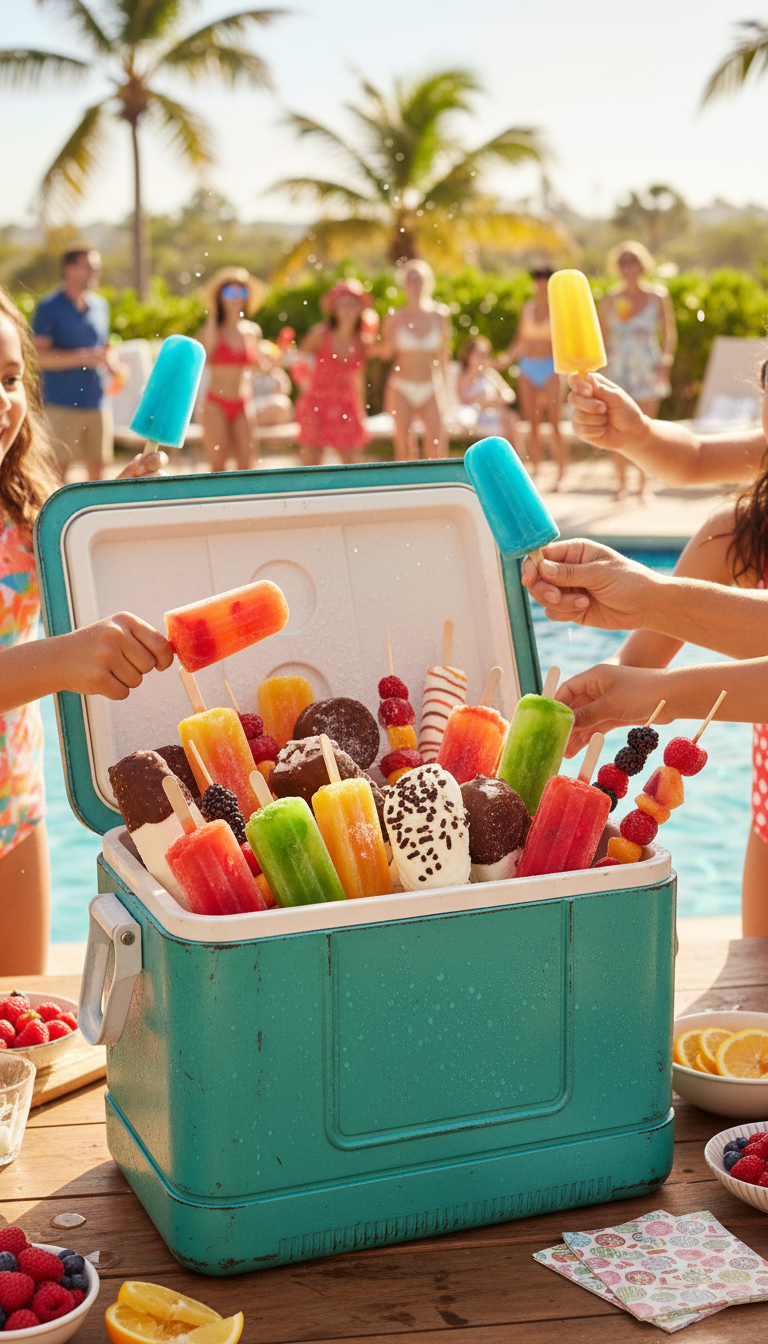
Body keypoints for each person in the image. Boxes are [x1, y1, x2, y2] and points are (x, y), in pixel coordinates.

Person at [523, 359, 768, 932]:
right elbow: (695, 458)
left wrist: (657, 680)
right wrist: (635, 433)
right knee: (757, 987)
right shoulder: (740, 533)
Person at [0, 286, 171, 974]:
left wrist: (113, 512)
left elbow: (71, 580)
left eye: (9, 378)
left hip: (16, 803)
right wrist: (64, 662)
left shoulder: (20, 505)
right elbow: (60, 654)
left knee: (20, 1013)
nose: (2, 401)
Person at [32, 246, 123, 482]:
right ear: (69, 269)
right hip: (61, 403)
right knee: (58, 474)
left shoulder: (101, 305)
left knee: (99, 471)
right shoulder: (48, 307)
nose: (95, 272)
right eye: (89, 267)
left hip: (98, 403)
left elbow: (101, 349)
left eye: (97, 268)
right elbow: (40, 358)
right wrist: (84, 357)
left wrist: (113, 366)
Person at [599, 241, 677, 500]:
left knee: (646, 427)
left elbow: (669, 333)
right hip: (619, 368)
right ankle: (621, 483)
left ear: (642, 264)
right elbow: (602, 337)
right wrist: (602, 370)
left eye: (632, 261)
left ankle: (644, 484)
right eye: (623, 262)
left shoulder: (658, 295)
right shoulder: (610, 298)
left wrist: (666, 360)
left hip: (647, 366)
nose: (628, 267)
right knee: (616, 426)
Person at [295, 278, 378, 466]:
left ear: (360, 309)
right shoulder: (319, 335)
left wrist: (361, 411)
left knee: (352, 466)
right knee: (311, 466)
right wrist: (304, 390)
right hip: (317, 402)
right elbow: (299, 362)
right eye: (342, 304)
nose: (347, 309)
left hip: (346, 403)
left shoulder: (362, 341)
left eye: (352, 304)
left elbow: (358, 378)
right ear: (334, 308)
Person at [497, 267, 567, 487]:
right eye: (538, 281)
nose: (541, 285)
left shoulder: (558, 310)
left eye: (545, 281)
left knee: (555, 421)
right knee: (532, 421)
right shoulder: (527, 308)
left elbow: (565, 341)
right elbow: (521, 340)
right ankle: (536, 470)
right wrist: (506, 359)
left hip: (551, 367)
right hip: (528, 366)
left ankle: (561, 472)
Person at [380, 260, 450, 461]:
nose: (415, 284)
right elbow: (386, 354)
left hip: (431, 384)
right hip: (401, 386)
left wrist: (444, 386)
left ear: (428, 282)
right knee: (404, 448)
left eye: (419, 279)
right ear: (404, 284)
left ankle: (439, 489)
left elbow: (444, 354)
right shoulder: (394, 317)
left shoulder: (440, 314)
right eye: (411, 280)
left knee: (437, 445)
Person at [199, 267, 266, 472]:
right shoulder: (212, 328)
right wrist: (213, 318)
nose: (236, 298)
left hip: (242, 401)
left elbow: (259, 366)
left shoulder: (252, 330)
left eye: (242, 292)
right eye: (229, 293)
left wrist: (272, 362)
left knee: (247, 465)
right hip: (215, 403)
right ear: (220, 297)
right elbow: (204, 358)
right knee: (218, 466)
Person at [456, 336, 518, 443]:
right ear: (469, 355)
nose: (482, 358)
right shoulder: (464, 376)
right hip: (472, 414)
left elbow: (510, 395)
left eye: (485, 355)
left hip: (492, 413)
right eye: (479, 354)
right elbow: (461, 398)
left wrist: (496, 401)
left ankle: (513, 454)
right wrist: (479, 401)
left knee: (510, 417)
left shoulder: (490, 374)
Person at [250, 340, 293, 428]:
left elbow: (284, 392)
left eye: (269, 358)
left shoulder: (276, 375)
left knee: (282, 403)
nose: (266, 361)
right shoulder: (251, 374)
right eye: (263, 357)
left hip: (268, 406)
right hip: (254, 407)